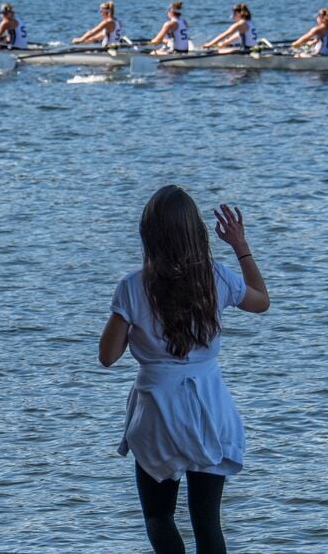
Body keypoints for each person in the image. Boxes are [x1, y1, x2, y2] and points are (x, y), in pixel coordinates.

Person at [99, 186, 270, 554]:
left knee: (159, 518)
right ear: (198, 232)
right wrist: (241, 246)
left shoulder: (132, 287)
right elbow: (261, 302)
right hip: (210, 408)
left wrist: (127, 318)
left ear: (149, 236)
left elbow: (108, 356)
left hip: (158, 413)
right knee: (207, 522)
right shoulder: (218, 278)